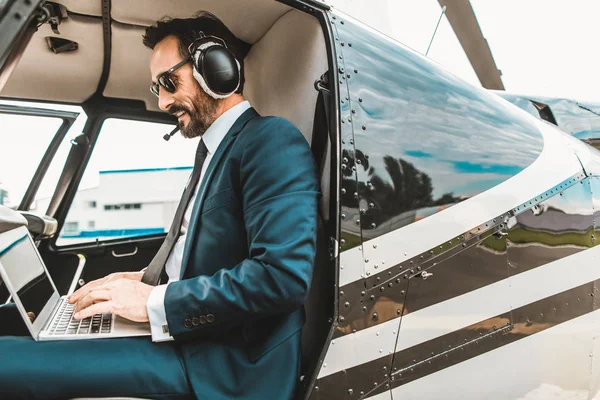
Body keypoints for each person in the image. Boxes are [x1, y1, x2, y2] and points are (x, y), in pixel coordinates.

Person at [0, 11, 319, 400]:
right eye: (157, 88)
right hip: (189, 339)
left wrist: (153, 301)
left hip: (219, 362)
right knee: (23, 339)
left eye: (169, 82)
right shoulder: (212, 152)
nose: (164, 101)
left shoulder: (270, 140)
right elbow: (199, 258)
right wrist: (139, 281)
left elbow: (280, 278)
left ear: (216, 69)